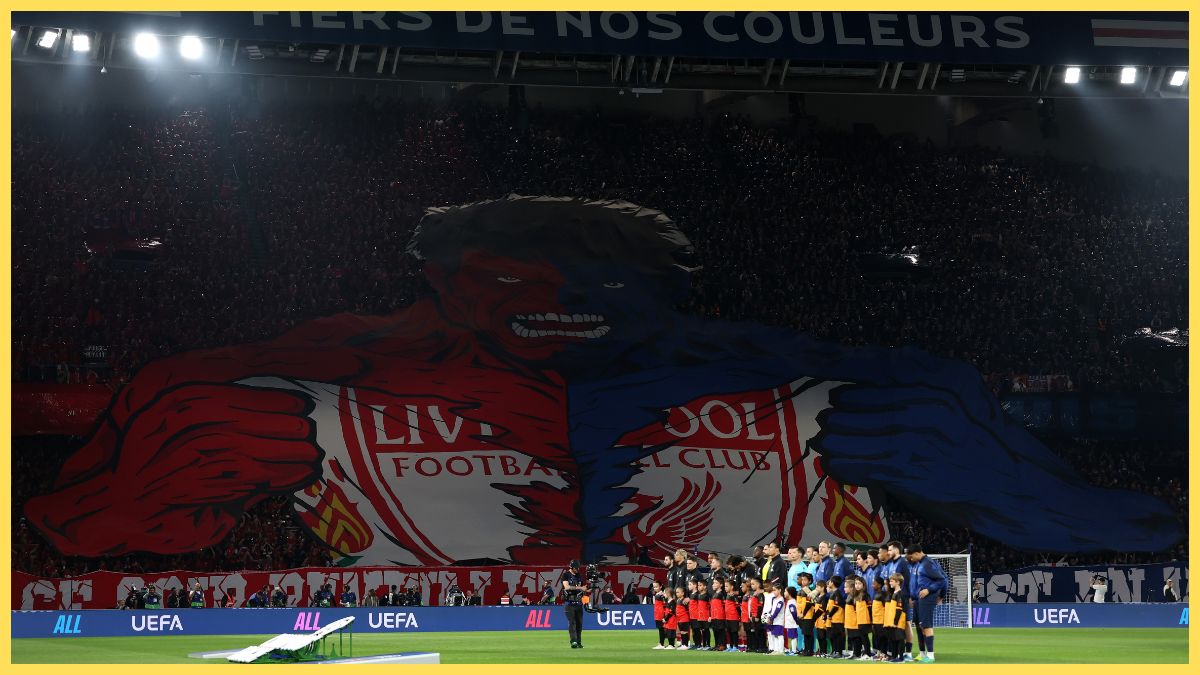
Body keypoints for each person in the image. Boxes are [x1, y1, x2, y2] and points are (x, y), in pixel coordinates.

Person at [906, 544, 946, 663]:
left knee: (926, 625)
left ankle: (931, 656)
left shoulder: (928, 563)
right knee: (919, 626)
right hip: (918, 599)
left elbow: (942, 579)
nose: (911, 558)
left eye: (912, 556)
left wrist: (929, 590)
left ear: (918, 553)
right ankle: (923, 654)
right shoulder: (919, 564)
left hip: (927, 598)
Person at [562, 560, 586, 649]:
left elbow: (583, 589)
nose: (578, 570)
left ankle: (579, 642)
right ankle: (573, 641)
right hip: (569, 603)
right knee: (572, 622)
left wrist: (589, 589)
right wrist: (580, 587)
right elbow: (567, 587)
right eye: (576, 568)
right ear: (572, 567)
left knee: (579, 624)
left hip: (579, 603)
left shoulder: (579, 575)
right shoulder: (566, 575)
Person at [650, 581, 669, 649]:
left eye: (656, 587)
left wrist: (664, 614)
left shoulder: (662, 595)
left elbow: (665, 604)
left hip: (661, 614)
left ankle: (662, 644)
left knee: (662, 629)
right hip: (657, 614)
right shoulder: (657, 594)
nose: (655, 588)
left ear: (660, 586)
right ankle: (661, 643)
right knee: (660, 629)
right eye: (654, 587)